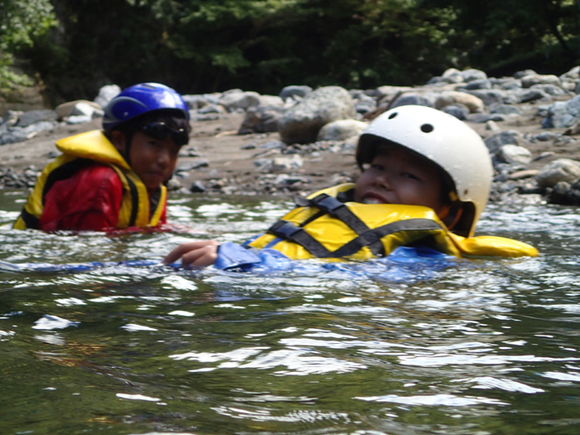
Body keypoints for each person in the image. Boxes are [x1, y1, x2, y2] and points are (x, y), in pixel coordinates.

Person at [164, 105, 537, 269]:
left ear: (450, 213)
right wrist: (229, 250)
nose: (382, 178)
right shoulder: (336, 215)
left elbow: (340, 273)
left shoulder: (420, 256)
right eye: (377, 165)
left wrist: (242, 262)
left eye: (409, 176)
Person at [14, 82, 191, 232]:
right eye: (155, 144)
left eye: (174, 151)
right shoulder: (100, 181)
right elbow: (88, 253)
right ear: (119, 140)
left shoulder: (151, 185)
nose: (164, 160)